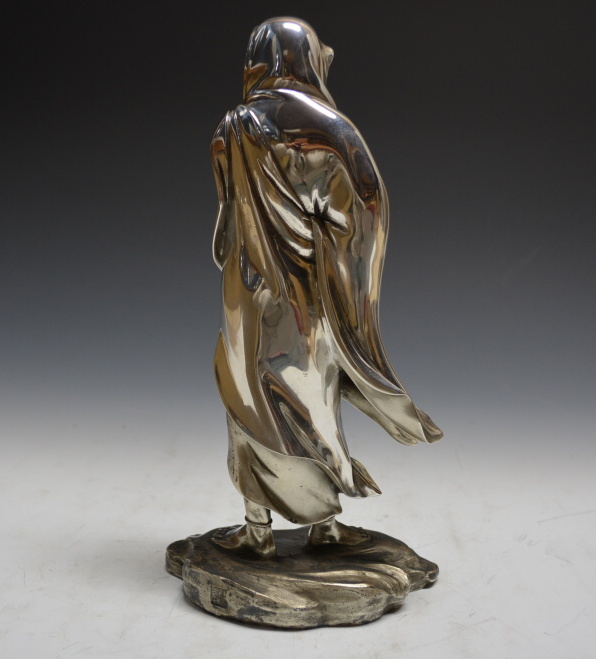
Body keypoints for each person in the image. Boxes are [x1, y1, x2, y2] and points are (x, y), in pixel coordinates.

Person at [210, 18, 442, 558]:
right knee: (314, 395)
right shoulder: (328, 128)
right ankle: (325, 526)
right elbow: (364, 211)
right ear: (307, 59)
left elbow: (225, 227)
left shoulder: (231, 127)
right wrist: (349, 282)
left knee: (249, 396)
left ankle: (259, 528)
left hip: (244, 288)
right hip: (307, 291)